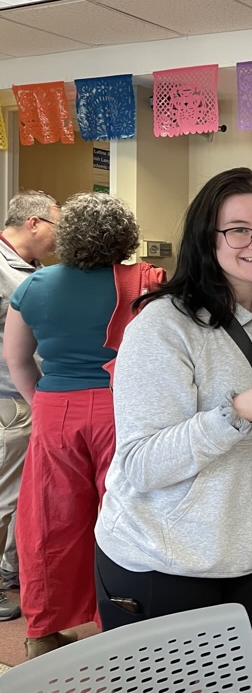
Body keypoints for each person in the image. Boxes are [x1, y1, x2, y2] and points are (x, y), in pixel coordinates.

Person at [93, 168, 252, 693]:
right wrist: (238, 409)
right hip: (161, 560)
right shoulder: (163, 325)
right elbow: (142, 464)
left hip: (248, 552)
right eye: (237, 229)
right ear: (207, 237)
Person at [3, 192, 152, 658]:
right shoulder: (146, 281)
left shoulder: (35, 285)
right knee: (128, 518)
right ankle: (126, 624)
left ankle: (42, 633)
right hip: (122, 409)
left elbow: (18, 360)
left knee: (49, 522)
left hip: (54, 409)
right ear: (124, 235)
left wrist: (45, 404)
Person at [0, 190, 60, 621]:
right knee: (3, 499)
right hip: (7, 401)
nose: (60, 238)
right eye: (57, 226)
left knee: (21, 494)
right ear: (34, 223)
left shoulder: (31, 270)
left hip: (29, 397)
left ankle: (9, 571)